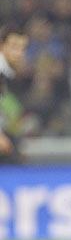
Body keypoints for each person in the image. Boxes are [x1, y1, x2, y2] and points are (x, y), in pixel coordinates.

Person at [0, 25, 28, 164]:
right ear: (2, 45)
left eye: (23, 48)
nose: (19, 52)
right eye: (14, 46)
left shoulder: (7, 73)